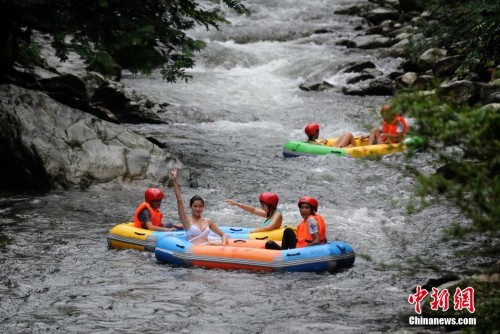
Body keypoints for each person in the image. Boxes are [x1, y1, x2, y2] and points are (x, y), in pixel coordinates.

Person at [171, 166, 228, 245]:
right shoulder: (186, 221)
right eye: (195, 206)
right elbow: (179, 199)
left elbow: (223, 234)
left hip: (209, 249)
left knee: (212, 244)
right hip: (195, 249)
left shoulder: (208, 221)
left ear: (203, 207)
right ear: (191, 207)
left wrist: (224, 244)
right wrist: (175, 180)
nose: (198, 209)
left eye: (200, 206)